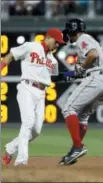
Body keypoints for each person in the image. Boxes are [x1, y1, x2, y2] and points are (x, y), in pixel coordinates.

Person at [1, 28, 65, 166]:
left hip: (41, 93)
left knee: (36, 131)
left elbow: (56, 77)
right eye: (56, 41)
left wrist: (72, 74)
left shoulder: (53, 61)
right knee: (28, 122)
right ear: (48, 38)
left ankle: (11, 148)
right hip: (27, 88)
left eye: (59, 43)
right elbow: (10, 55)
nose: (57, 45)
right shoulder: (31, 46)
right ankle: (21, 161)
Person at [59, 18, 103, 165]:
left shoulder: (83, 38)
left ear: (72, 30)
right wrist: (65, 75)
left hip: (97, 79)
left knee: (68, 108)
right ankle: (74, 152)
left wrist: (82, 69)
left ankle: (78, 147)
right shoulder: (88, 41)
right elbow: (81, 71)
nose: (67, 35)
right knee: (83, 116)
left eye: (68, 31)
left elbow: (93, 55)